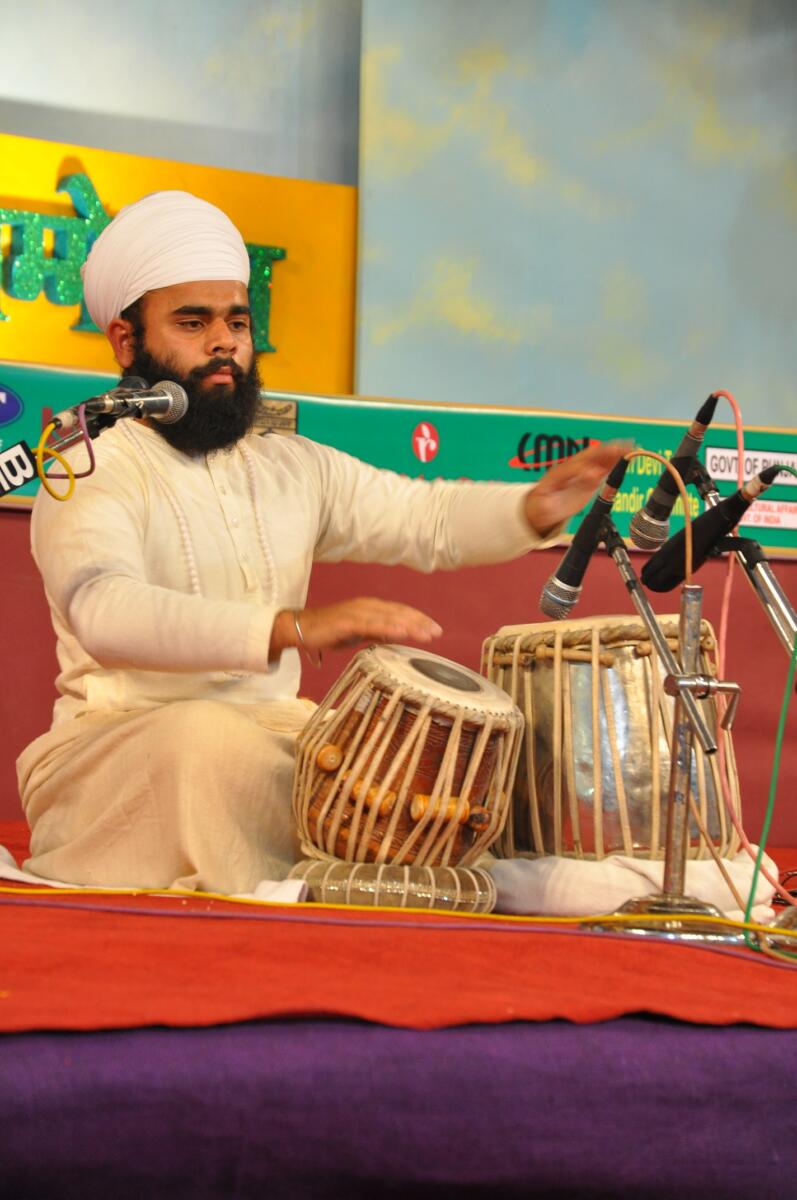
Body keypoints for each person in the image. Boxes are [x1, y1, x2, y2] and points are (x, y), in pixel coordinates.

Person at [17, 190, 624, 894]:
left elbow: (420, 518)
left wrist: (529, 509)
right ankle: (343, 882)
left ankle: (410, 877)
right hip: (120, 747)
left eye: (237, 322)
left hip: (277, 739)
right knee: (206, 742)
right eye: (193, 322)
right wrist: (289, 628)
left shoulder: (287, 465)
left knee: (383, 756)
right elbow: (104, 609)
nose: (225, 343)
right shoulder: (88, 465)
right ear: (127, 342)